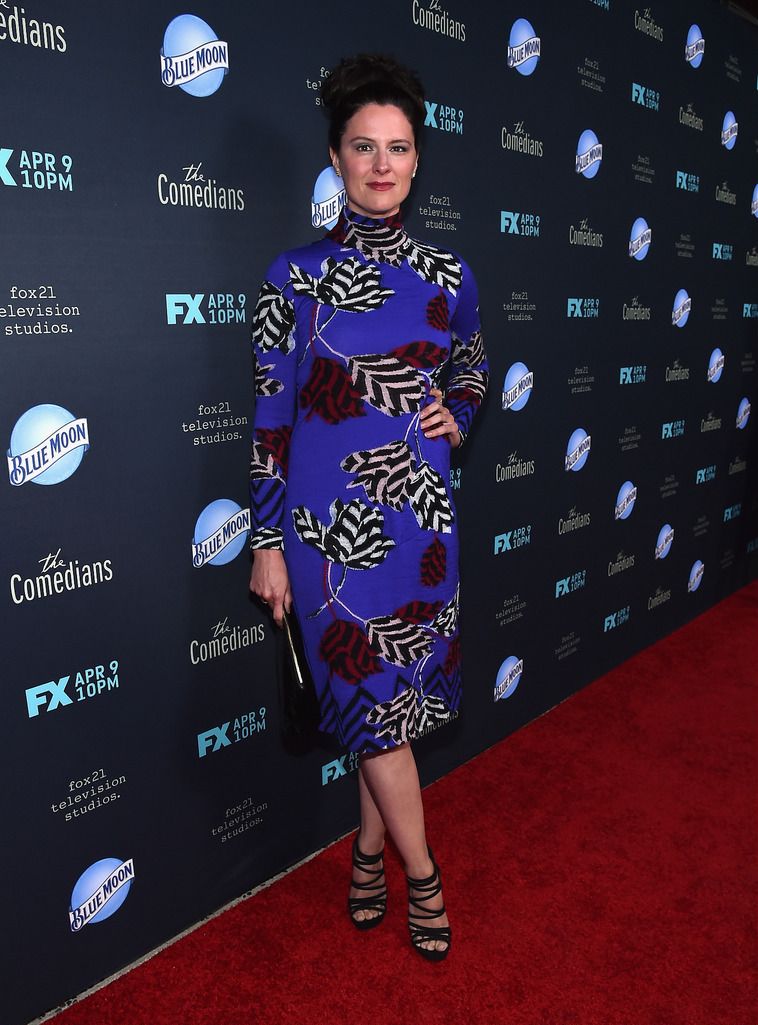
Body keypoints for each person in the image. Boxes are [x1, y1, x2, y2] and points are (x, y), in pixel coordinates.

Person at [248, 52, 489, 961]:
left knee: (382, 713)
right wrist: (267, 539)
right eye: (363, 147)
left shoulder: (447, 274)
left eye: (397, 148)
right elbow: (270, 417)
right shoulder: (293, 277)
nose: (381, 165)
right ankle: (423, 877)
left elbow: (472, 361)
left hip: (419, 518)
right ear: (338, 157)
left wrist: (457, 413)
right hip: (324, 533)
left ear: (419, 161)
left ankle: (365, 850)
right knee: (371, 697)